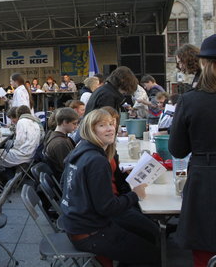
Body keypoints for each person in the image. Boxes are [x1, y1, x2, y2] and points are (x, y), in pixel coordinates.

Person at [59, 109, 160, 266]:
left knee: (148, 233)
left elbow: (63, 184)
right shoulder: (96, 160)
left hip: (76, 225)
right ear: (90, 130)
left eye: (112, 124)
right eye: (102, 125)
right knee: (153, 253)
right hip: (91, 232)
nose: (110, 128)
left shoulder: (80, 150)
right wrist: (135, 195)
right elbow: (107, 208)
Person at [168, 34, 216, 267]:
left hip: (205, 177)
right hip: (204, 173)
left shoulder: (190, 100)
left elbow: (177, 149)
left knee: (204, 248)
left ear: (205, 64)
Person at [43, 107, 79, 181]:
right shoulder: (60, 144)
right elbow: (69, 168)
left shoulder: (55, 137)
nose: (76, 126)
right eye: (74, 123)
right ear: (65, 122)